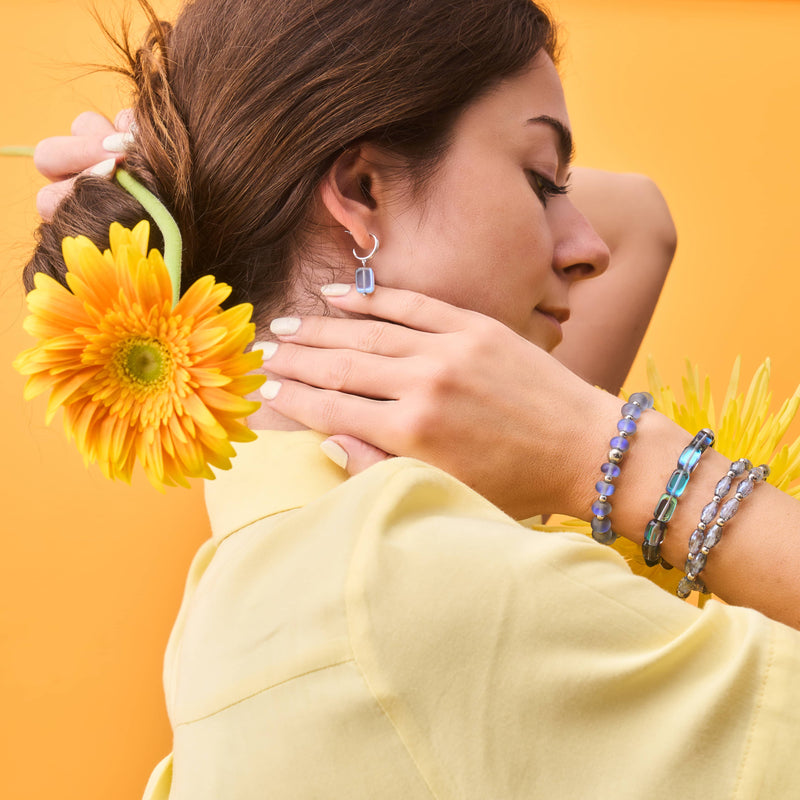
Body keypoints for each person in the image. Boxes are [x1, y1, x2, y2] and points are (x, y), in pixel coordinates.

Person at [20, 0, 800, 797]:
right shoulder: (420, 585)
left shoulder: (299, 565)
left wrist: (219, 167)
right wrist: (618, 458)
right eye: (541, 181)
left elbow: (639, 219)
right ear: (360, 188)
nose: (588, 246)